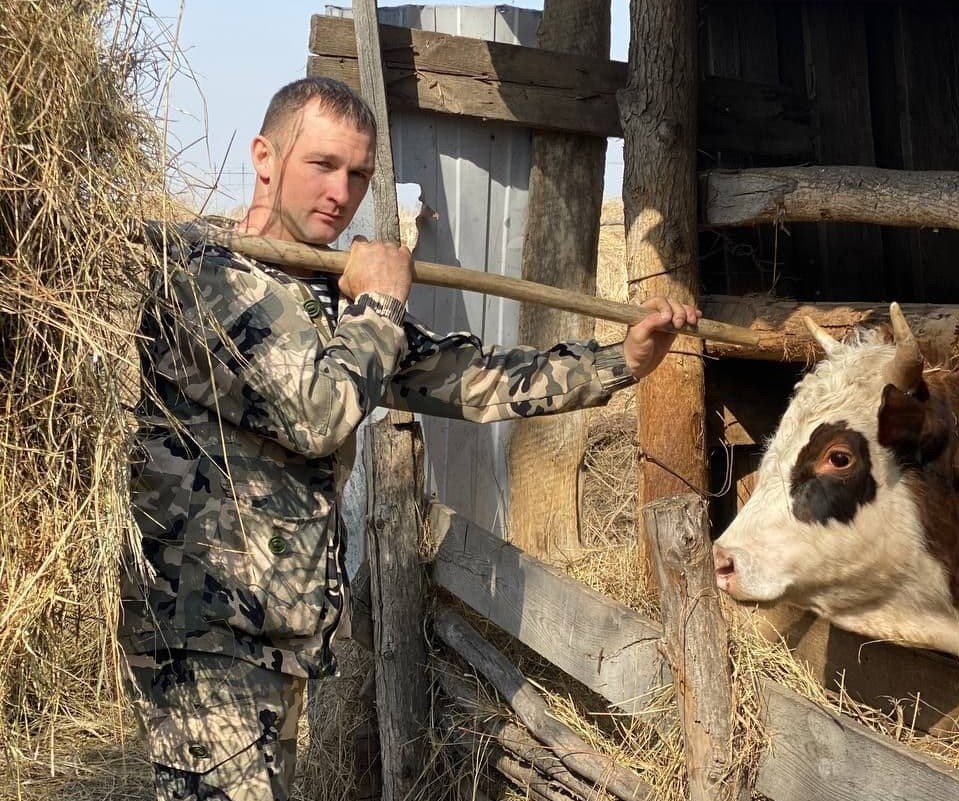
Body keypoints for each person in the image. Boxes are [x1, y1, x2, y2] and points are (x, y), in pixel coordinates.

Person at [120, 76, 701, 801]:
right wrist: (378, 301)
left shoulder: (325, 298)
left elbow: (470, 378)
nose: (341, 191)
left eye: (358, 174)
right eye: (322, 164)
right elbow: (319, 413)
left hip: (278, 639)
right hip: (206, 635)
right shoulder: (208, 279)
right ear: (264, 157)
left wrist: (621, 360)